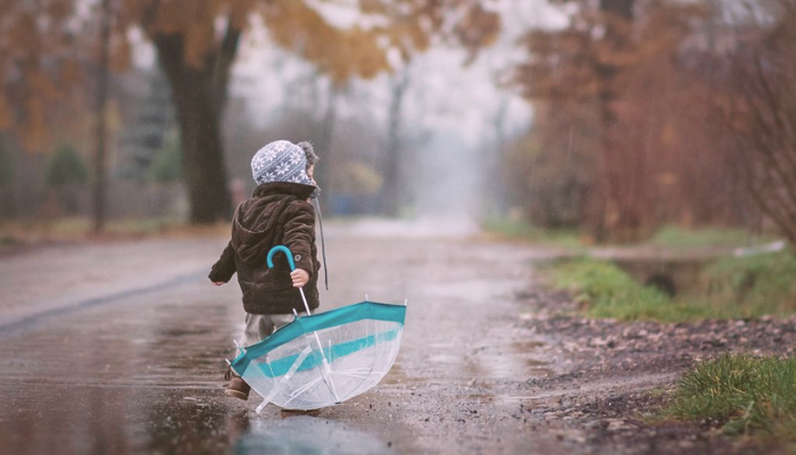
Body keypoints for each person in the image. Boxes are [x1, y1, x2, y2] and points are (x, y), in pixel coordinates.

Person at [209, 140, 321, 400]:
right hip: (289, 297)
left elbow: (235, 246)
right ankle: (296, 396)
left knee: (253, 339)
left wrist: (220, 272)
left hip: (256, 299)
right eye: (305, 172)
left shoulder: (246, 208)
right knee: (294, 344)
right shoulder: (297, 208)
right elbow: (299, 239)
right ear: (293, 176)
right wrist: (303, 267)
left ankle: (240, 379)